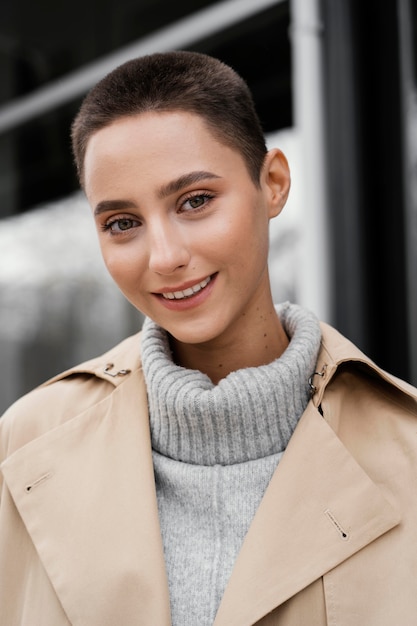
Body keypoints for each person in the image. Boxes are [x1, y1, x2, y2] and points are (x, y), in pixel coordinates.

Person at [1, 50, 416, 626]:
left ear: (272, 184)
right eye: (122, 223)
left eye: (195, 202)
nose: (166, 257)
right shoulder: (20, 448)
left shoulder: (409, 451)